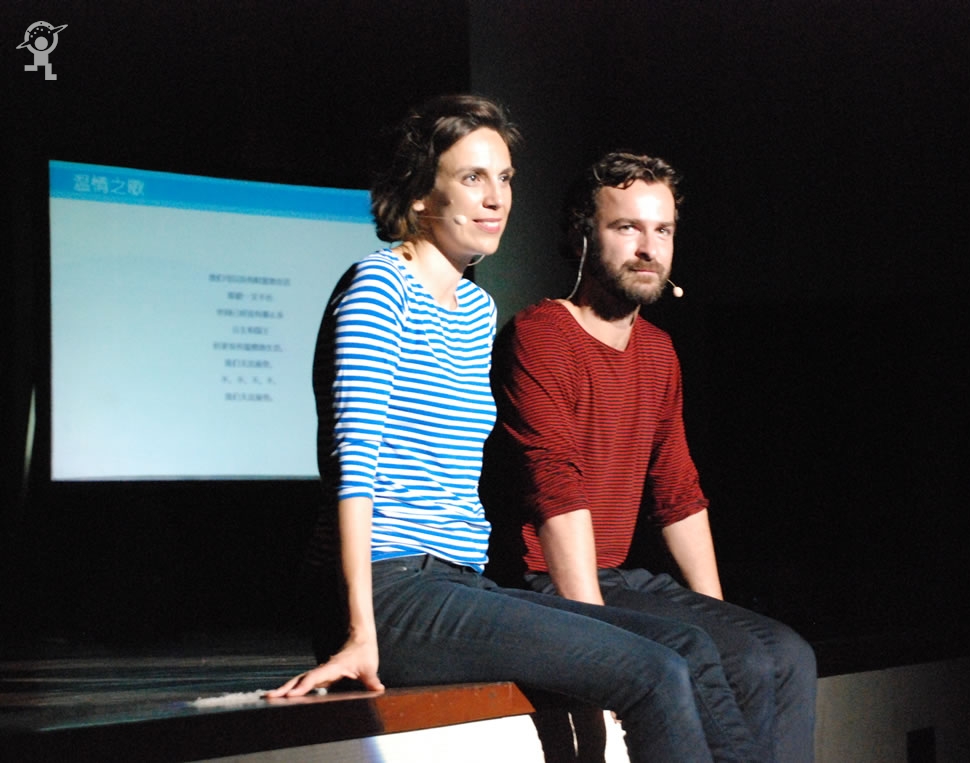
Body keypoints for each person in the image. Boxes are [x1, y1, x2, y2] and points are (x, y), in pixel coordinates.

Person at [269, 96, 765, 763]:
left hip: (459, 581)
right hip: (389, 588)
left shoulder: (476, 310)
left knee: (686, 646)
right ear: (419, 193)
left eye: (504, 178)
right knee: (653, 671)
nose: (495, 197)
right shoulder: (378, 288)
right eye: (472, 177)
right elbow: (352, 464)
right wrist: (359, 631)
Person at [487, 152, 818, 762]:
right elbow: (553, 486)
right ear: (583, 236)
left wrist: (720, 615)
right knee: (725, 656)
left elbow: (677, 492)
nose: (648, 248)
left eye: (662, 230)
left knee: (786, 655)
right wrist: (594, 644)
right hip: (543, 579)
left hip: (617, 575)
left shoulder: (658, 351)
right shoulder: (542, 334)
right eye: (627, 228)